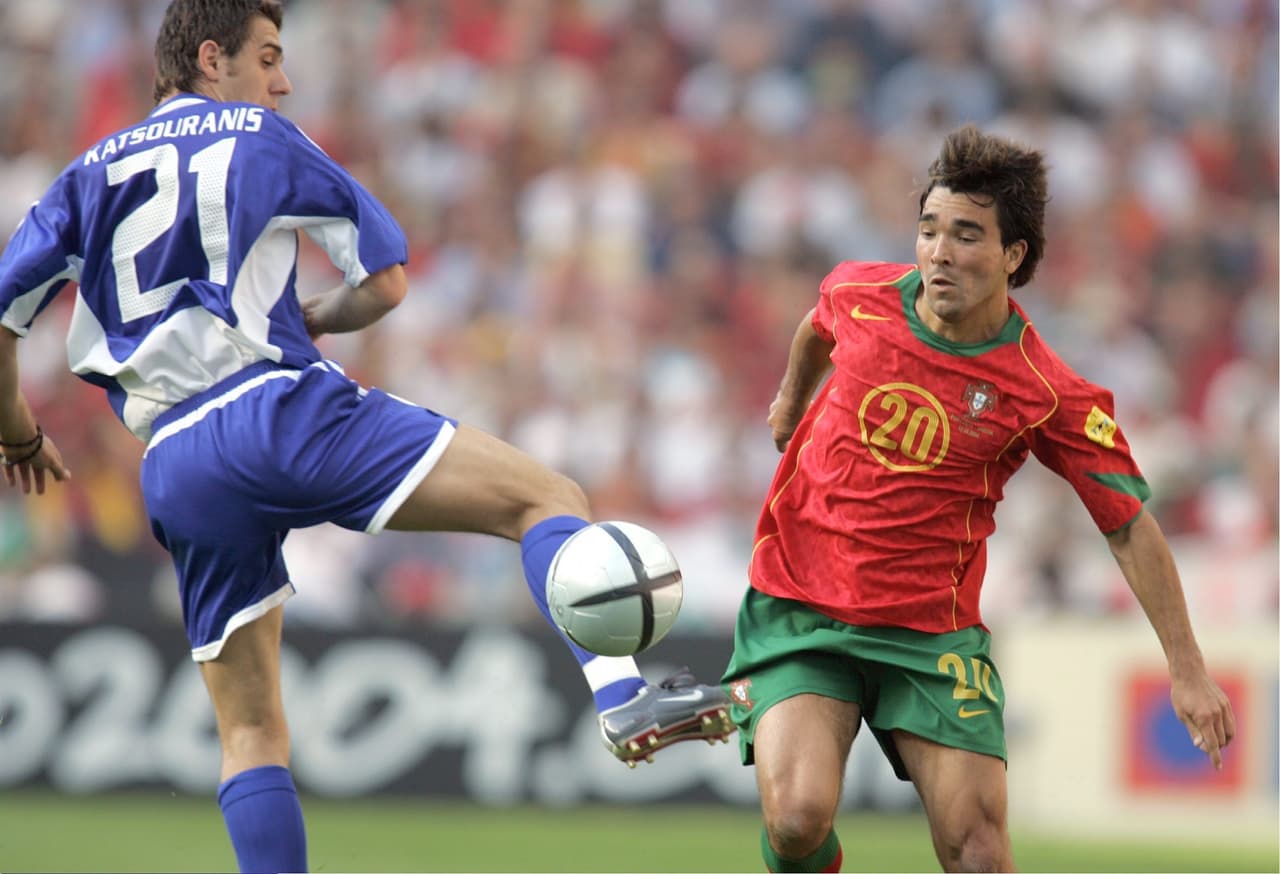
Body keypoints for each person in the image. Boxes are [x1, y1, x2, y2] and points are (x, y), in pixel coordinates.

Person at [0, 2, 732, 872]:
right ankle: (621, 697)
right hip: (277, 408)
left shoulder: (80, 176)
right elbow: (383, 281)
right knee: (547, 498)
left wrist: (19, 436)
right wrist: (314, 316)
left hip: (178, 462)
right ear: (211, 58)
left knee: (249, 732)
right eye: (268, 57)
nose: (283, 81)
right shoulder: (258, 134)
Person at [720, 125, 1236, 874]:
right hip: (803, 608)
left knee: (980, 853)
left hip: (930, 638)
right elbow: (817, 326)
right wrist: (789, 400)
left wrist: (1186, 670)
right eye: (929, 229)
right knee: (798, 820)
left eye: (966, 235)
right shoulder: (860, 292)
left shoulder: (1044, 389)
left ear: (1012, 256)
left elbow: (1127, 526)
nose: (938, 252)